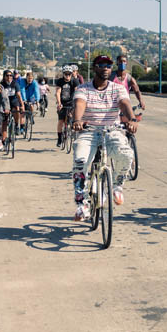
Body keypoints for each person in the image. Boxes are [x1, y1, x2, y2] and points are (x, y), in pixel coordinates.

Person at [70, 55, 140, 221]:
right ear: (94, 68)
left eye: (108, 65)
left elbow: (124, 104)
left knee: (126, 155)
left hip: (112, 130)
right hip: (89, 131)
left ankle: (117, 185)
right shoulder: (83, 89)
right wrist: (78, 121)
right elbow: (80, 104)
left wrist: (132, 119)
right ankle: (82, 204)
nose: (106, 68)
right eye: (101, 65)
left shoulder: (118, 88)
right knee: (80, 161)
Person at [110, 48, 145, 117]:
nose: (122, 63)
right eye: (120, 61)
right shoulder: (111, 76)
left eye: (124, 61)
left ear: (126, 63)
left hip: (124, 104)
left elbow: (137, 90)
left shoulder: (129, 78)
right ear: (117, 63)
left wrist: (141, 101)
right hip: (111, 105)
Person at [54, 65, 80, 147]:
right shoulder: (60, 81)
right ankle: (59, 138)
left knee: (72, 118)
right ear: (63, 74)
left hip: (71, 103)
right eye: (66, 74)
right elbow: (58, 92)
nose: (68, 76)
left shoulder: (75, 81)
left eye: (69, 74)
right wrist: (59, 103)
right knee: (61, 121)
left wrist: (76, 103)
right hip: (63, 103)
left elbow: (77, 92)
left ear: (72, 74)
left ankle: (71, 132)